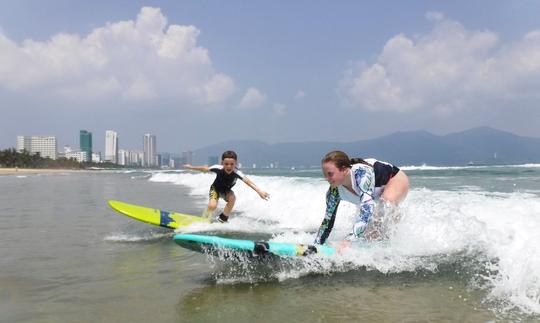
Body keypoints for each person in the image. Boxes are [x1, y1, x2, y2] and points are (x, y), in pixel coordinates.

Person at [314, 151, 409, 252]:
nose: (326, 179)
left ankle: (395, 238)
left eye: (330, 174)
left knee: (385, 205)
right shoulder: (334, 192)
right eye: (325, 175)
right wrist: (316, 246)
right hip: (372, 192)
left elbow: (367, 211)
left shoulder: (362, 174)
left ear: (344, 170)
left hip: (394, 179)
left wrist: (347, 241)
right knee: (371, 235)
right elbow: (327, 221)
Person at [183, 150, 269, 223]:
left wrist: (259, 191)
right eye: (226, 164)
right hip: (215, 189)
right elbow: (204, 168)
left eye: (232, 164)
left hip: (226, 191)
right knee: (212, 206)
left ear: (236, 163)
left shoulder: (237, 173)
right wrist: (191, 167)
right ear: (222, 163)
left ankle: (222, 219)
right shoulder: (218, 168)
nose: (229, 166)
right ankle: (204, 219)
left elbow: (248, 182)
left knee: (232, 198)